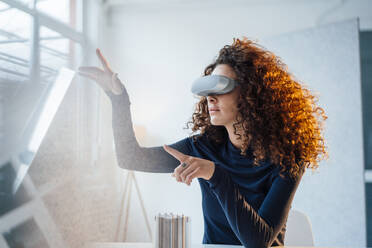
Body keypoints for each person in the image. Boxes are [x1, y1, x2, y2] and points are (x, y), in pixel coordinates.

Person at [78, 37, 328, 248]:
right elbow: (129, 158)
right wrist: (118, 98)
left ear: (251, 94)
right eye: (208, 89)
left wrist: (216, 175)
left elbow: (257, 242)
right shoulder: (205, 146)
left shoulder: (287, 159)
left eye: (221, 88)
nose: (210, 97)